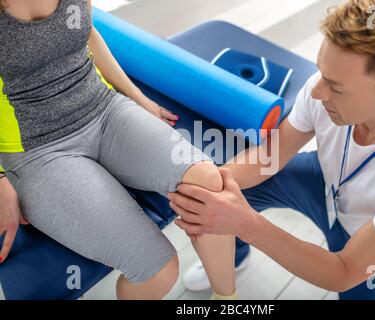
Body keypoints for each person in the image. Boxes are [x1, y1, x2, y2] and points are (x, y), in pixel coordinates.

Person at [170, 0, 375, 299]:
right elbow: (269, 157)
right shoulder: (322, 86)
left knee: (360, 285)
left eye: (336, 87)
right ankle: (232, 256)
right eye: (321, 72)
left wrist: (245, 223)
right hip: (324, 178)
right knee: (228, 191)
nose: (316, 92)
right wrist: (208, 185)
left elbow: (342, 271)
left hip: (368, 229)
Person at [0, 0, 237, 300]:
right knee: (158, 270)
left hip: (105, 110)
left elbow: (88, 32)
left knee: (209, 184)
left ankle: (228, 300)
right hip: (41, 151)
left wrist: (137, 97)